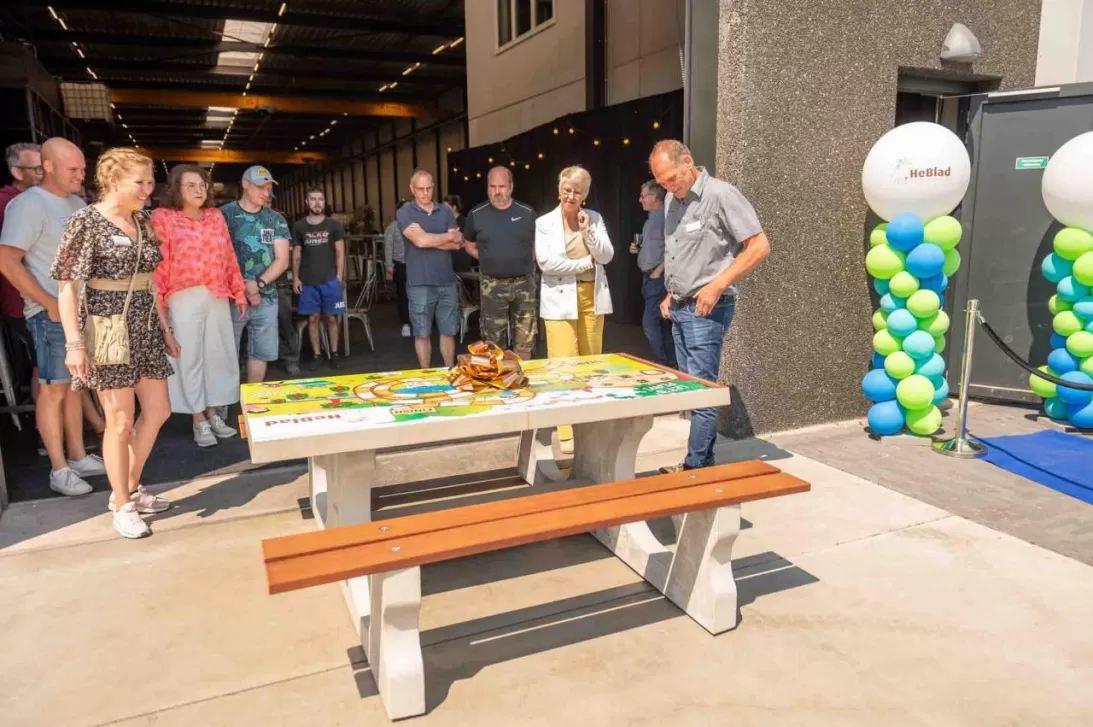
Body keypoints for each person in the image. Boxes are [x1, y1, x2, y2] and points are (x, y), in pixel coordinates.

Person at [53, 147, 178, 539]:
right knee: (120, 421)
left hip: (144, 324)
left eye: (150, 182)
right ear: (112, 181)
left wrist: (165, 327)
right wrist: (75, 344)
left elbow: (150, 279)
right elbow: (67, 287)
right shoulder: (86, 221)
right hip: (107, 326)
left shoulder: (142, 222)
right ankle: (123, 502)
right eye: (139, 182)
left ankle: (129, 487)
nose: (147, 190)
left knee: (158, 410)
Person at [649, 139, 771, 471]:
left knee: (702, 394)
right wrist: (671, 293)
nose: (667, 188)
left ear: (687, 160)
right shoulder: (673, 200)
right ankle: (700, 461)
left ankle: (696, 468)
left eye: (671, 178)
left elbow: (759, 246)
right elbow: (682, 252)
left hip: (707, 309)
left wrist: (717, 285)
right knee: (692, 392)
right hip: (679, 308)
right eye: (660, 183)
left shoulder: (721, 195)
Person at [0, 138, 107, 497]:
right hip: (50, 316)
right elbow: (6, 260)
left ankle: (78, 456)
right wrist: (46, 301)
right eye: (73, 169)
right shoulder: (26, 206)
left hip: (81, 313)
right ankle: (58, 469)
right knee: (53, 391)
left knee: (75, 387)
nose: (81, 175)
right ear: (47, 166)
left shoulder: (76, 202)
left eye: (82, 168)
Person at [151, 164, 246, 448]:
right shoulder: (163, 217)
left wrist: (238, 292)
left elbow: (229, 255)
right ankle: (197, 419)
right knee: (189, 357)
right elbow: (158, 264)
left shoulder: (215, 217)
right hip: (183, 296)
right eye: (190, 185)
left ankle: (214, 412)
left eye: (202, 184)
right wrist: (161, 304)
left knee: (217, 356)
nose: (198, 190)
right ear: (176, 189)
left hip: (216, 294)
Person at [535, 165, 614, 454]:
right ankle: (566, 432)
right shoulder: (544, 223)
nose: (571, 195)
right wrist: (583, 264)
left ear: (585, 196)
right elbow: (547, 263)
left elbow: (606, 255)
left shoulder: (594, 219)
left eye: (577, 191)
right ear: (559, 191)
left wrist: (588, 231)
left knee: (592, 362)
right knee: (563, 364)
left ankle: (591, 427)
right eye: (567, 190)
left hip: (592, 296)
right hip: (558, 299)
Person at [221, 166, 291, 383]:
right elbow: (216, 257)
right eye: (261, 187)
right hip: (230, 299)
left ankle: (252, 403)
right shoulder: (223, 215)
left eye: (269, 188)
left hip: (266, 296)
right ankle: (222, 409)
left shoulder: (275, 219)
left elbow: (282, 259)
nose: (266, 193)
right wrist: (244, 288)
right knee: (226, 353)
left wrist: (258, 284)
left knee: (261, 352)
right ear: (245, 185)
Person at [463, 166, 537, 359]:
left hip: (524, 284)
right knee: (493, 341)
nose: (497, 191)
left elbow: (537, 245)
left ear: (511, 187)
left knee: (525, 338)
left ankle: (521, 379)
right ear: (487, 187)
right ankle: (498, 384)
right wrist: (489, 258)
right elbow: (469, 245)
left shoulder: (527, 213)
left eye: (502, 186)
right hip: (492, 285)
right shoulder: (476, 214)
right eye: (492, 186)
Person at [397, 170, 464, 369]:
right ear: (412, 189)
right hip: (419, 282)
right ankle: (425, 374)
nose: (426, 193)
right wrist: (446, 236)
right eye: (421, 189)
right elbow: (419, 241)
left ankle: (449, 370)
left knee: (448, 331)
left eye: (429, 188)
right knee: (422, 333)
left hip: (446, 281)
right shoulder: (405, 212)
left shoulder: (444, 211)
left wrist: (428, 238)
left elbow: (458, 243)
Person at [292, 187, 345, 370]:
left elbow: (340, 251)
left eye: (320, 199)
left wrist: (339, 276)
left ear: (324, 202)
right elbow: (296, 254)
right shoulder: (299, 226)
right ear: (307, 202)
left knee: (331, 318)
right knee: (313, 319)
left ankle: (335, 353)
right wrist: (296, 278)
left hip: (330, 280)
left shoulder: (334, 225)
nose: (316, 202)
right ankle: (316, 354)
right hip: (308, 281)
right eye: (313, 199)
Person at [630, 179, 677, 368]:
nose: (640, 200)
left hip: (657, 279)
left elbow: (674, 247)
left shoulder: (665, 218)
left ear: (655, 197)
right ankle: (670, 362)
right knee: (663, 322)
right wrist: (637, 249)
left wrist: (658, 271)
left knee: (650, 322)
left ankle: (661, 361)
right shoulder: (651, 219)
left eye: (643, 196)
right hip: (649, 278)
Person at [384, 200, 411, 338]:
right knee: (403, 294)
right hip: (400, 264)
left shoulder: (416, 227)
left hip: (416, 264)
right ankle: (405, 323)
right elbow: (388, 247)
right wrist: (389, 265)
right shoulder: (392, 227)